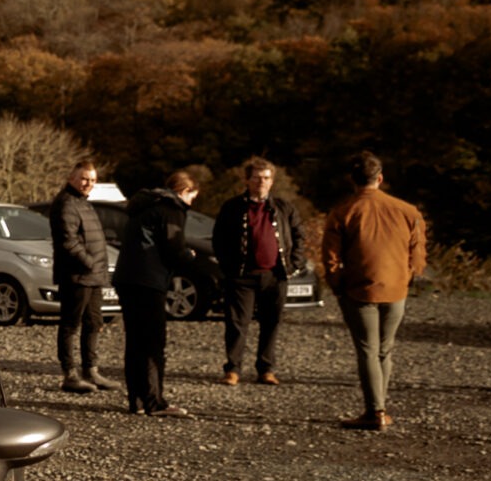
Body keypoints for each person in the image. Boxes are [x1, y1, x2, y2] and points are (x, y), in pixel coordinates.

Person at [320, 151, 428, 432]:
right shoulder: (408, 211)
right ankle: (381, 407)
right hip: (396, 287)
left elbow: (330, 257)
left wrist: (337, 283)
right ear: (380, 178)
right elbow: (417, 253)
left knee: (367, 350)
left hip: (358, 288)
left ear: (352, 180)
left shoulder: (343, 212)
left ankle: (375, 411)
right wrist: (408, 277)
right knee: (385, 349)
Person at [116, 170, 202, 416]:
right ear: (185, 192)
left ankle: (137, 401)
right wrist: (189, 256)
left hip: (127, 277)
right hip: (150, 280)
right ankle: (155, 402)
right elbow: (173, 248)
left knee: (134, 342)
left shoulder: (144, 205)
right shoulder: (171, 209)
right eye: (192, 198)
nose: (191, 203)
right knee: (153, 342)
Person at [214, 156, 303, 385]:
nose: (261, 182)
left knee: (271, 323)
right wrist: (228, 269)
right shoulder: (232, 207)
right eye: (256, 178)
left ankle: (266, 369)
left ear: (272, 181)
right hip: (242, 277)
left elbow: (298, 236)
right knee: (237, 324)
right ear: (247, 180)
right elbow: (219, 240)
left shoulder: (284, 208)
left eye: (266, 178)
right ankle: (232, 369)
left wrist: (294, 264)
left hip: (275, 276)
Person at [50, 159, 112, 394]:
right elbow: (69, 241)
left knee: (94, 323)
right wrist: (89, 263)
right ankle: (70, 374)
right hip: (76, 276)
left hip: (93, 276)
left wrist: (97, 268)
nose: (89, 184)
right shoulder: (66, 204)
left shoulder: (83, 203)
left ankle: (91, 370)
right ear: (72, 178)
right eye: (85, 178)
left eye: (93, 180)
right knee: (70, 325)